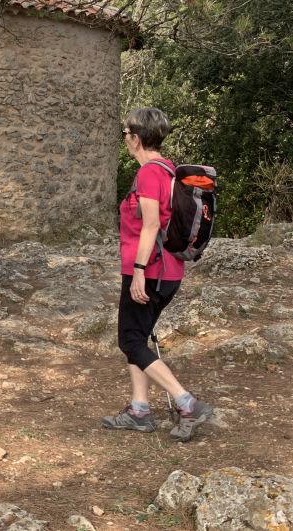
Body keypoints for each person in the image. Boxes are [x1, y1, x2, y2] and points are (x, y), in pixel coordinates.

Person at [101, 108, 212, 442]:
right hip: (167, 271)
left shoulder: (150, 173)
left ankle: (187, 403)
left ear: (136, 138)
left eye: (125, 133)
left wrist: (138, 271)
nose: (124, 138)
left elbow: (150, 225)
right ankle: (140, 410)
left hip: (150, 271)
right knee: (137, 338)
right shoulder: (167, 169)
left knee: (130, 340)